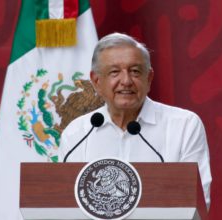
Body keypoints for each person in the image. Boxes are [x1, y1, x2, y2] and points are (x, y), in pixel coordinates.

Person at [59, 33, 212, 207]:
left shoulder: (184, 125)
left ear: (149, 78)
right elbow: (65, 204)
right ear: (96, 81)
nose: (126, 81)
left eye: (135, 71)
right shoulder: (77, 134)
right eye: (114, 72)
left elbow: (196, 202)